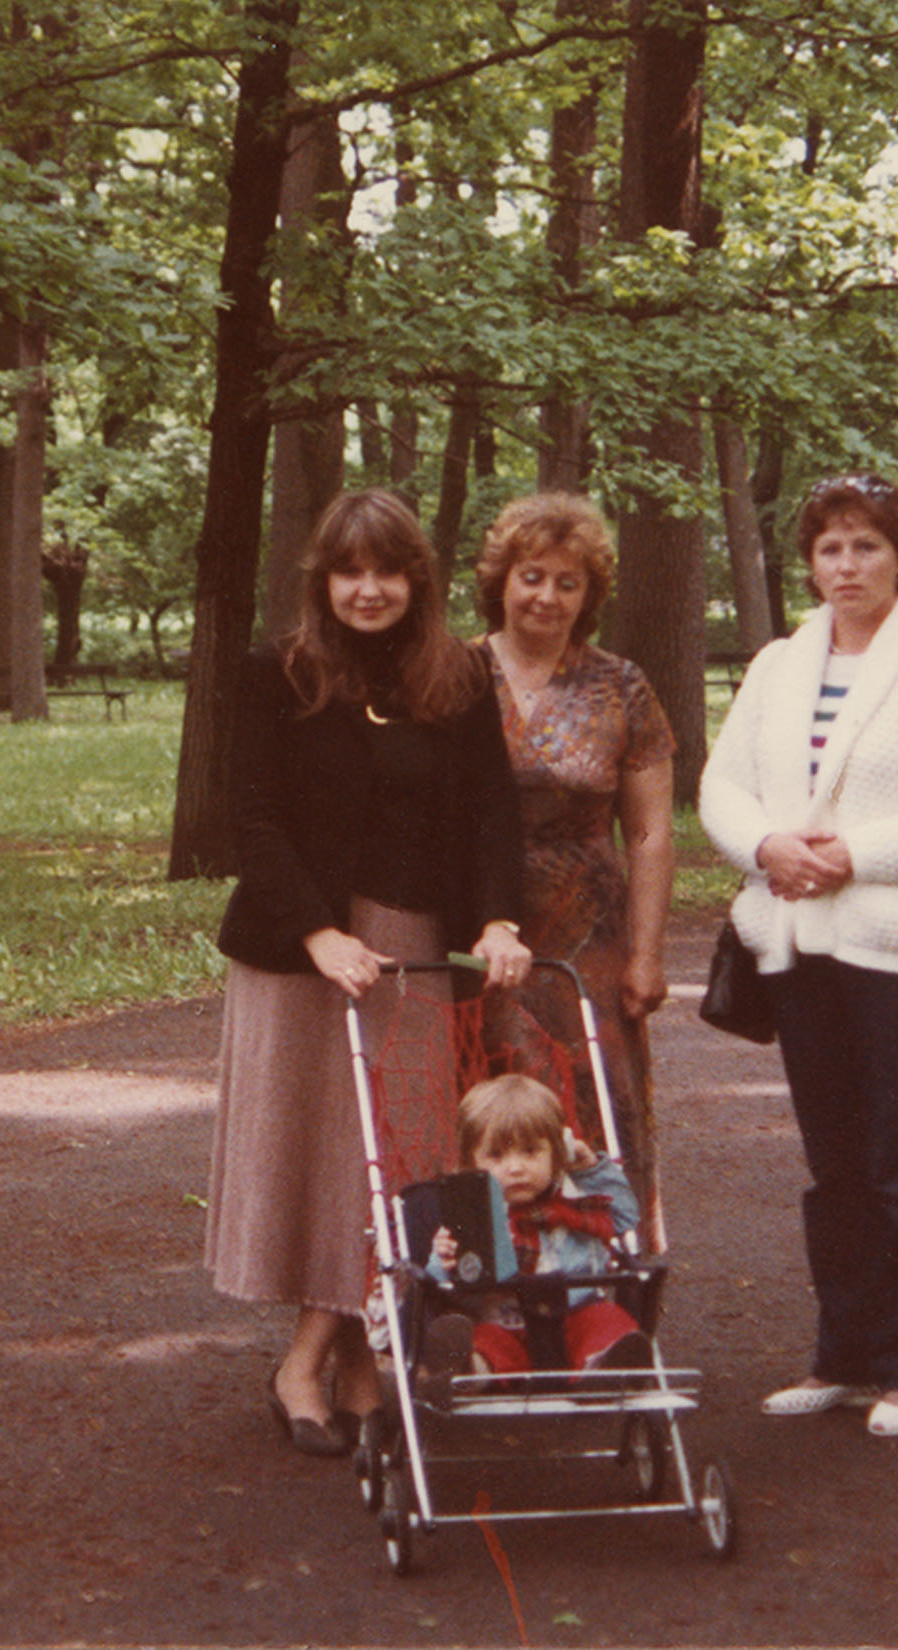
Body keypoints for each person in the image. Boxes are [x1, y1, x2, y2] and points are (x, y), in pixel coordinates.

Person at [206, 489, 534, 1456]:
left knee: (395, 1160)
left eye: (388, 571)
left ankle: (312, 1363)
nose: (369, 589)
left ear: (416, 581)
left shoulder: (458, 676)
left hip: (413, 948)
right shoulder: (278, 670)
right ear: (324, 581)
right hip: (303, 949)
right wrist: (317, 933)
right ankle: (343, 1371)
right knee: (321, 1161)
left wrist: (498, 919)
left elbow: (491, 814)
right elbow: (253, 817)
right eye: (350, 572)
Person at [698, 473, 898, 1440]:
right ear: (809, 563)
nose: (847, 565)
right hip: (796, 944)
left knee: (896, 1157)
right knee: (832, 1164)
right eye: (830, 547)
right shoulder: (777, 667)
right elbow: (721, 787)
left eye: (867, 545)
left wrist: (852, 857)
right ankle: (845, 1355)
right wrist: (767, 847)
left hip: (897, 951)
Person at [469, 492, 675, 1226]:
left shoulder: (621, 686)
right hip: (478, 928)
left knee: (600, 1101)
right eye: (532, 576)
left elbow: (649, 834)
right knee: (484, 1101)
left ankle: (612, 1265)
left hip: (592, 938)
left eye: (567, 582)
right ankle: (487, 1270)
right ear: (502, 580)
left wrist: (646, 954)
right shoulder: (455, 674)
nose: (546, 596)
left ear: (589, 594)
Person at [422, 1074, 650, 1377]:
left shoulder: (575, 1196)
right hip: (506, 1324)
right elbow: (441, 1284)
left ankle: (603, 1364)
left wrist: (589, 1170)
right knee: (487, 1339)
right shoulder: (471, 1217)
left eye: (530, 1152)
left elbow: (625, 1217)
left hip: (575, 1316)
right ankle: (472, 1368)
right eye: (496, 1156)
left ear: (557, 1151)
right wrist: (444, 1260)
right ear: (472, 1163)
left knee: (607, 1319)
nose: (516, 1168)